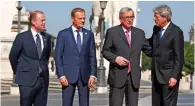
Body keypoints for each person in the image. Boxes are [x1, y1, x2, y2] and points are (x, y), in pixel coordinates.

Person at [102, 7, 151, 106]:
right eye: (127, 17)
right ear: (121, 18)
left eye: (132, 17)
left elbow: (149, 50)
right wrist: (115, 58)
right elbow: (105, 51)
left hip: (134, 78)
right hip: (117, 76)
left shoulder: (140, 33)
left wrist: (163, 48)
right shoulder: (112, 32)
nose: (130, 19)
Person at [55, 8, 97, 106]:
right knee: (67, 103)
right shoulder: (63, 34)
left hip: (85, 76)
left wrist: (92, 74)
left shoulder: (89, 34)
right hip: (68, 76)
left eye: (84, 18)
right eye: (80, 18)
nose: (83, 21)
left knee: (84, 103)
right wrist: (61, 75)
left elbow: (92, 56)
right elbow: (58, 56)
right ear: (72, 19)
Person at [9, 10, 51, 106]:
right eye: (42, 20)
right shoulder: (22, 37)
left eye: (44, 20)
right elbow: (13, 57)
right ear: (33, 21)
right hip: (26, 81)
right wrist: (20, 72)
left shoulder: (47, 38)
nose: (44, 22)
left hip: (43, 81)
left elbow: (45, 57)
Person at [149, 5, 184, 106]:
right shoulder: (156, 29)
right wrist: (136, 41)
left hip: (169, 77)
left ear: (165, 17)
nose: (154, 19)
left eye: (156, 16)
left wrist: (174, 76)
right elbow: (150, 45)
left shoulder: (176, 32)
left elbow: (179, 57)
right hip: (156, 76)